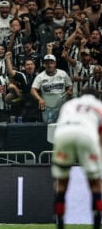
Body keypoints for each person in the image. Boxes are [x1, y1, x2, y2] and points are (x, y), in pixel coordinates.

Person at [51, 87, 102, 229]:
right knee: (95, 183)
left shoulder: (69, 104)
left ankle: (60, 223)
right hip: (87, 134)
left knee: (61, 183)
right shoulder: (98, 106)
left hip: (63, 135)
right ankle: (97, 223)